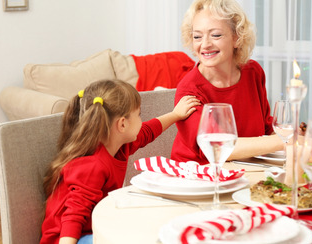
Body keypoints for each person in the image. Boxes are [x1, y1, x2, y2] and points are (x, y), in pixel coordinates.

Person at [40, 79, 200, 244]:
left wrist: (175, 115)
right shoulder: (92, 165)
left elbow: (147, 131)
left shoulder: (120, 145)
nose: (141, 119)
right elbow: (73, 217)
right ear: (122, 124)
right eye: (138, 114)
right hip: (69, 239)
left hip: (95, 227)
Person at [171, 0, 285, 165]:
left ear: (237, 38)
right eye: (197, 36)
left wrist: (295, 136)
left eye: (215, 35)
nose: (205, 44)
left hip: (247, 171)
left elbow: (267, 129)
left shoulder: (253, 72)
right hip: (198, 179)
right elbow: (218, 147)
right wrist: (287, 141)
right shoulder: (189, 89)